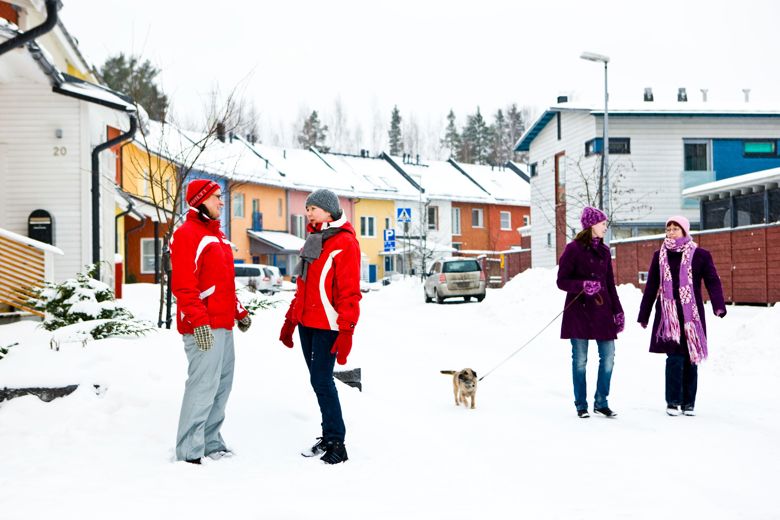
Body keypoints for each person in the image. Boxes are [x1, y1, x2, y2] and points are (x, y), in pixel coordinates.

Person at [170, 179, 252, 464]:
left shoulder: (217, 237)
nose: (221, 202)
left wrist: (238, 311)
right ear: (202, 199)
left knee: (221, 386)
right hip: (202, 326)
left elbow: (224, 283)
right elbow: (183, 284)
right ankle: (189, 452)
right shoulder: (187, 235)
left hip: (222, 324)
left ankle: (210, 442)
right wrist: (199, 321)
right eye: (217, 197)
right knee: (203, 386)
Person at [279, 188, 361, 464]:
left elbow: (349, 293)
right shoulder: (314, 240)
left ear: (328, 210)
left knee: (322, 381)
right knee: (318, 381)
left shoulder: (345, 243)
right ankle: (328, 436)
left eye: (312, 208)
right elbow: (302, 286)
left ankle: (338, 442)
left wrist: (347, 330)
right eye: (307, 209)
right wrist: (290, 321)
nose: (308, 213)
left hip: (327, 325)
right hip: (306, 323)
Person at [637, 216, 726, 416]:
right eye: (668, 229)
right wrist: (644, 315)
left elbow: (713, 281)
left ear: (684, 231)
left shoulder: (700, 255)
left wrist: (718, 305)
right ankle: (673, 401)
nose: (670, 233)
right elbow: (651, 287)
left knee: (691, 358)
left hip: (691, 316)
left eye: (675, 229)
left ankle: (689, 403)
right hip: (669, 317)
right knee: (674, 358)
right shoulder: (659, 256)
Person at [557, 206, 624, 419]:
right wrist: (583, 285)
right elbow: (562, 281)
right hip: (579, 313)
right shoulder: (573, 249)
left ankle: (601, 401)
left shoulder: (605, 251)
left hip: (602, 311)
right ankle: (581, 404)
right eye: (603, 223)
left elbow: (610, 284)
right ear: (591, 225)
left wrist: (618, 311)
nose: (606, 227)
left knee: (608, 357)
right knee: (580, 360)